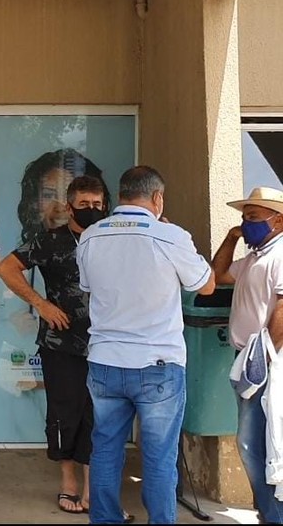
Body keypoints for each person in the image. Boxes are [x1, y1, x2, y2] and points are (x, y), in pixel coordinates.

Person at [77, 166, 215, 524]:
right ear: (157, 198)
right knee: (158, 457)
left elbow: (88, 287)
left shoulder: (90, 236)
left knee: (105, 449)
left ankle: (104, 519)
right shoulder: (170, 236)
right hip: (158, 365)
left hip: (105, 361)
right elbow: (206, 285)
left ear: (121, 194)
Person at [0, 176, 109, 515]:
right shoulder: (50, 240)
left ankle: (92, 488)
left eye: (97, 204)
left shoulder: (112, 238)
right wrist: (41, 304)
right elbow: (7, 268)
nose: (91, 209)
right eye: (84, 204)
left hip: (108, 342)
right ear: (70, 206)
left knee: (98, 415)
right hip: (60, 342)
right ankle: (68, 483)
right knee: (65, 412)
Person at [213, 186, 283, 523]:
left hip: (265, 362)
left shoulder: (280, 255)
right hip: (247, 360)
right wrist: (231, 237)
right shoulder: (255, 256)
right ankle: (268, 511)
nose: (246, 223)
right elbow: (218, 275)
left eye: (253, 217)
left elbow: (282, 310)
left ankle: (272, 515)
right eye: (244, 217)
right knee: (255, 443)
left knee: (253, 443)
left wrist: (264, 359)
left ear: (278, 220)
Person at [18, 149, 110, 246]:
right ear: (34, 203)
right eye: (48, 195)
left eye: (67, 195)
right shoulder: (30, 251)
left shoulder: (106, 249)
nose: (60, 208)